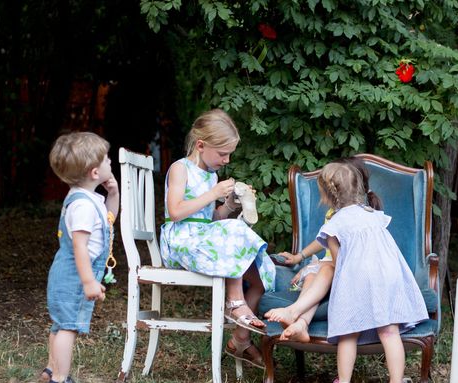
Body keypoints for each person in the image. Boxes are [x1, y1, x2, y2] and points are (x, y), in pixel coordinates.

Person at [160, 109, 275, 369]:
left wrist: (230, 205)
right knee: (234, 231)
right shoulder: (181, 169)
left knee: (259, 277)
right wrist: (213, 193)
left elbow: (210, 218)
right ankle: (234, 302)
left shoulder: (211, 175)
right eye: (222, 153)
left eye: (229, 154)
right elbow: (177, 212)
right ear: (201, 145)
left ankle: (240, 340)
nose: (226, 159)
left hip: (202, 239)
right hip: (180, 241)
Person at [312, 162, 428, 383]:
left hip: (356, 276)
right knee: (389, 330)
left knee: (348, 332)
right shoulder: (375, 216)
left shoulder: (334, 224)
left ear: (326, 194)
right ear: (358, 188)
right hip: (388, 275)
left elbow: (339, 261)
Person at [265, 157, 383, 343]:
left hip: (349, 272)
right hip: (329, 267)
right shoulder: (333, 214)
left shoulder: (361, 215)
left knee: (325, 269)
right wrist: (300, 257)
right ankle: (301, 324)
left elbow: (345, 260)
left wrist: (319, 264)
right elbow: (323, 241)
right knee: (314, 275)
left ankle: (293, 311)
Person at [43, 132, 119, 383]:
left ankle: (51, 371)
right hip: (74, 276)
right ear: (96, 171)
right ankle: (61, 381)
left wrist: (114, 194)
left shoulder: (86, 198)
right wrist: (88, 281)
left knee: (60, 324)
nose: (111, 162)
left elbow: (108, 220)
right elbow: (80, 246)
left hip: (68, 273)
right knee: (68, 327)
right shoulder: (83, 207)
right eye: (108, 159)